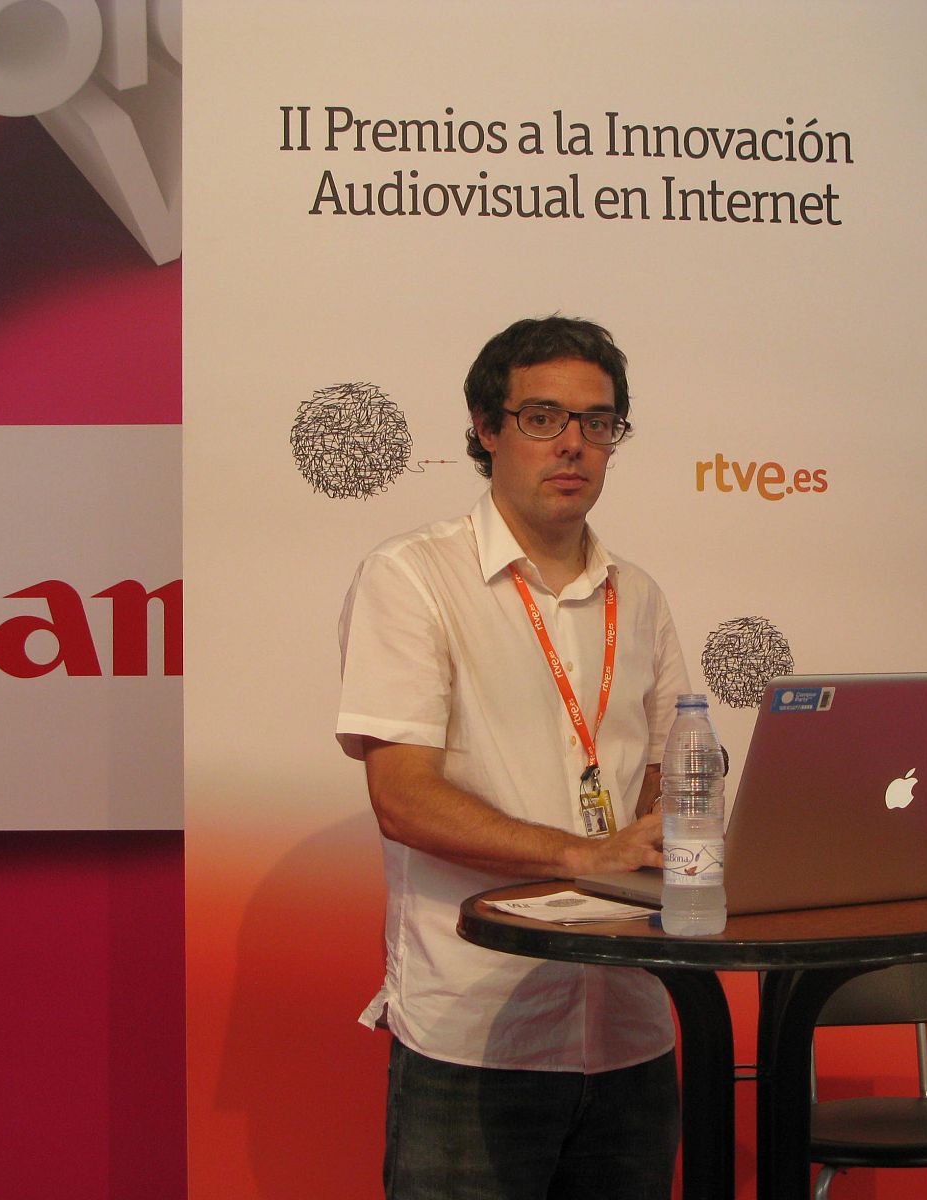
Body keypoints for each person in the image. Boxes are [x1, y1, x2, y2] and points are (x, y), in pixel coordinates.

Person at [336, 316, 691, 1199]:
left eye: (598, 422)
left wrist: (662, 821)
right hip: (479, 1028)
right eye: (542, 417)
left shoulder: (638, 596)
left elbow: (675, 766)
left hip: (634, 1024)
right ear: (486, 428)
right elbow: (404, 800)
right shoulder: (412, 577)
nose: (573, 443)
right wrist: (584, 854)